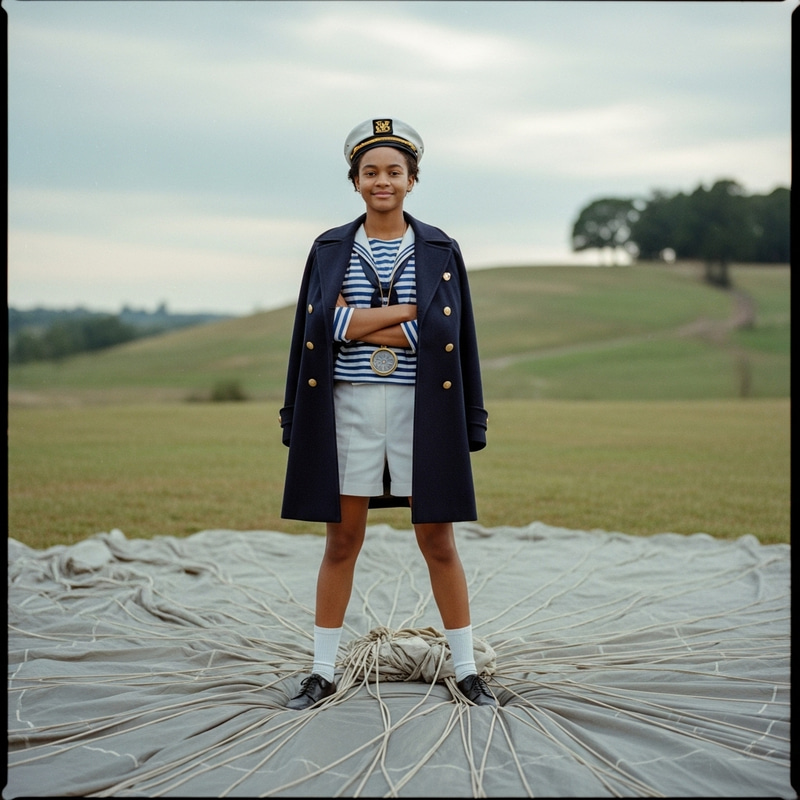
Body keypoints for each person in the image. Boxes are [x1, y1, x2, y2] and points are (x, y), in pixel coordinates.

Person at [279, 118, 495, 709]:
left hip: (420, 411)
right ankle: (322, 671)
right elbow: (320, 327)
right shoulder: (328, 248)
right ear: (355, 181)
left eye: (394, 172)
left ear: (412, 179)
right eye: (370, 171)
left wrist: (365, 324)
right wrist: (404, 320)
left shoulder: (440, 249)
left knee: (438, 539)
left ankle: (468, 669)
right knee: (342, 539)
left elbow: (452, 334)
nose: (383, 181)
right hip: (344, 410)